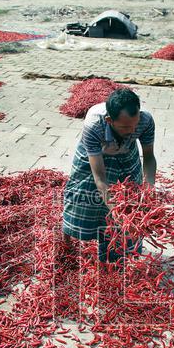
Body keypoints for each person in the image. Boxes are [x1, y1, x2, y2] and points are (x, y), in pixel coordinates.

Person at [62, 88, 156, 262]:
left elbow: (149, 157)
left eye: (135, 125)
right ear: (109, 120)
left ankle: (115, 254)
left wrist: (149, 189)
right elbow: (100, 179)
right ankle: (65, 242)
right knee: (82, 197)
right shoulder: (94, 124)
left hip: (127, 153)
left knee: (131, 200)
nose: (132, 129)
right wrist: (116, 211)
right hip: (93, 155)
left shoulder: (145, 120)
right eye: (126, 127)